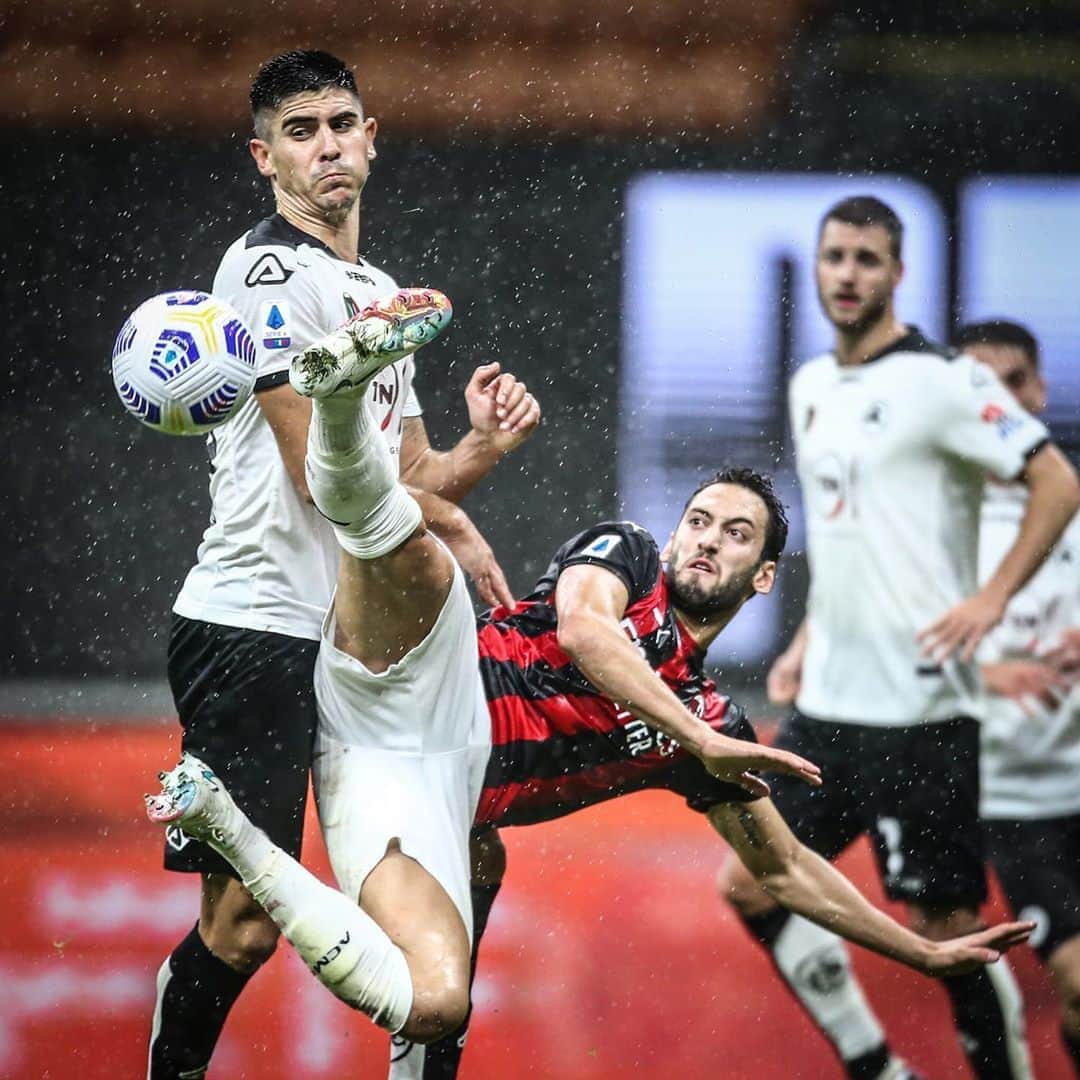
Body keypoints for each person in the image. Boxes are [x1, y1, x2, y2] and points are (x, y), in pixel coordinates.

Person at [147, 381, 859, 1045]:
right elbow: (583, 632)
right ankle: (337, 402)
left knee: (435, 1001)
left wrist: (929, 956)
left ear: (767, 574)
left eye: (735, 533)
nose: (707, 539)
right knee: (422, 561)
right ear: (673, 534)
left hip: (422, 786)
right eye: (699, 520)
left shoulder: (714, 722)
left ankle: (234, 837)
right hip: (362, 660)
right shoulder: (630, 557)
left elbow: (789, 866)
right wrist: (699, 739)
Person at [147, 49, 540, 1080]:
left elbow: (411, 474)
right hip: (258, 624)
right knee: (240, 931)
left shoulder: (377, 291)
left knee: (461, 880)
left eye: (341, 123)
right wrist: (441, 521)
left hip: (352, 645)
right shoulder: (263, 272)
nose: (326, 145)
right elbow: (324, 483)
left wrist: (477, 458)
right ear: (262, 157)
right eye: (301, 130)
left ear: (372, 138)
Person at [715, 197, 1080, 1080]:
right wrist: (805, 638)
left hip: (926, 717)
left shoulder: (946, 382)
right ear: (818, 266)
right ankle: (875, 1065)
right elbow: (855, 540)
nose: (848, 274)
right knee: (748, 884)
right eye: (834, 257)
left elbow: (1056, 482)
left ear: (897, 273)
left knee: (948, 936)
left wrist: (993, 598)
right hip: (832, 713)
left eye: (867, 260)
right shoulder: (810, 386)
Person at [954, 319, 1080, 1075]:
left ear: (1039, 389)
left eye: (1016, 379)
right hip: (1013, 803)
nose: (1001, 397)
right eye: (980, 382)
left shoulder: (1074, 502)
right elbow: (877, 652)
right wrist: (982, 675)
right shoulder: (929, 517)